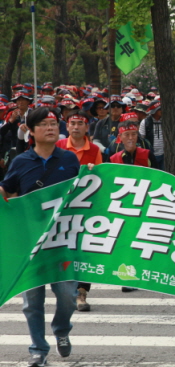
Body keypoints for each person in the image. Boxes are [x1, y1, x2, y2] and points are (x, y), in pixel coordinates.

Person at [0, 107, 92, 367]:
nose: (51, 128)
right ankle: (38, 349)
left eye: (54, 123)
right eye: (44, 124)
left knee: (66, 294)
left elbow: (82, 193)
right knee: (32, 301)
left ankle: (62, 330)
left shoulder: (70, 160)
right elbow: (7, 190)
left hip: (63, 241)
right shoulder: (21, 162)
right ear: (31, 131)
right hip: (30, 242)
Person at [55, 111, 102, 312]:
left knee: (85, 250)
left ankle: (82, 292)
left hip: (86, 209)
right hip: (60, 208)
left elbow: (101, 180)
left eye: (80, 123)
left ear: (87, 127)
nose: (76, 127)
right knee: (64, 249)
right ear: (67, 127)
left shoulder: (94, 150)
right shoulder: (56, 147)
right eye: (72, 123)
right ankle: (66, 289)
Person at [140, 100, 165, 170]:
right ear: (154, 111)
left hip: (163, 154)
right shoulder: (145, 122)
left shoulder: (165, 121)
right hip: (150, 154)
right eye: (159, 109)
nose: (161, 110)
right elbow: (142, 139)